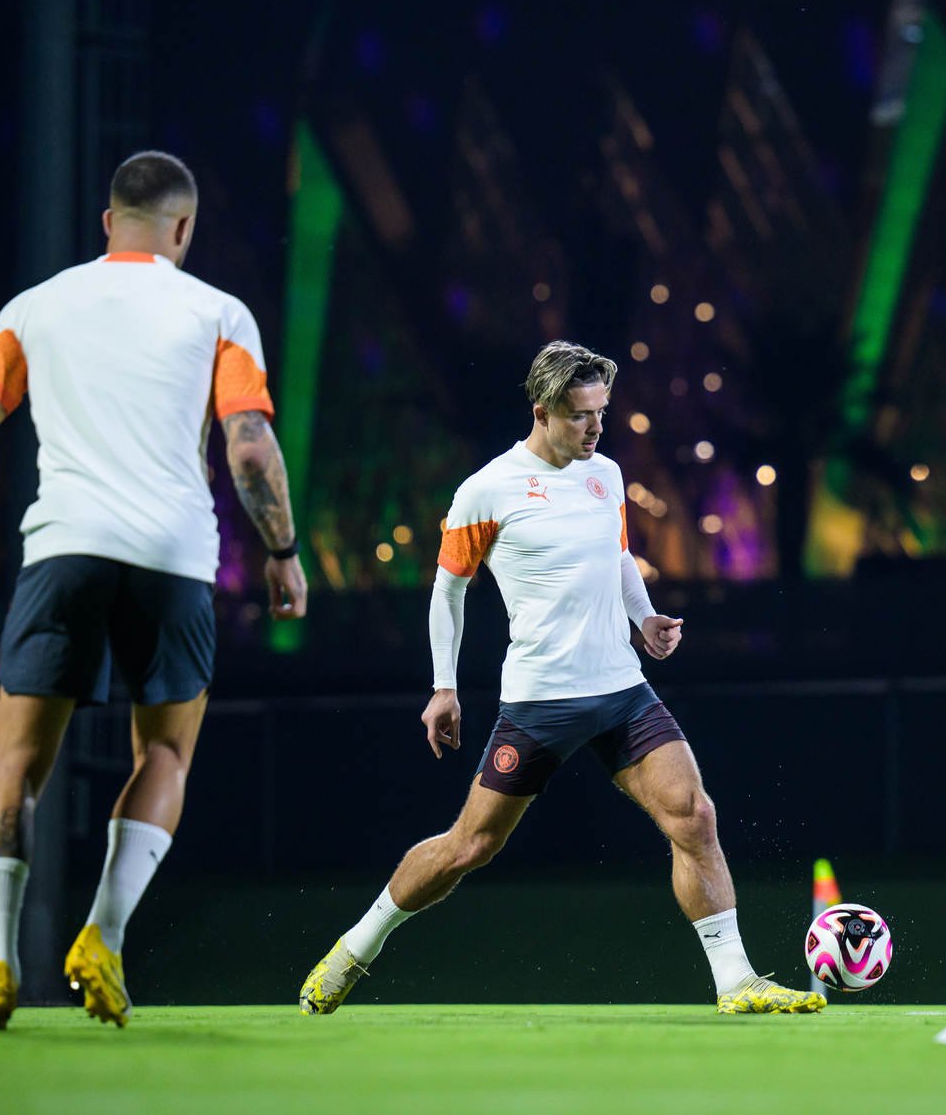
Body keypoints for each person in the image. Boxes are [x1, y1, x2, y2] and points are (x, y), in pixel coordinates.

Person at [297, 341, 824, 1015]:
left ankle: (736, 982)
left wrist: (645, 619)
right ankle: (354, 949)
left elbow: (619, 555)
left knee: (694, 816)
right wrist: (443, 688)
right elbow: (446, 592)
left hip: (622, 692)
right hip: (540, 703)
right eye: (581, 416)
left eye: (601, 413)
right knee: (471, 846)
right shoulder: (486, 490)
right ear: (542, 411)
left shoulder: (604, 473)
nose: (596, 428)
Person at [0, 151, 308, 1030]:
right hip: (172, 558)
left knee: (12, 768)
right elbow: (248, 446)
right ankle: (103, 933)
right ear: (183, 228)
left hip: (62, 551)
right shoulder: (217, 311)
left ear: (107, 222)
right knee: (163, 757)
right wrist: (281, 549)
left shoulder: (34, 307)